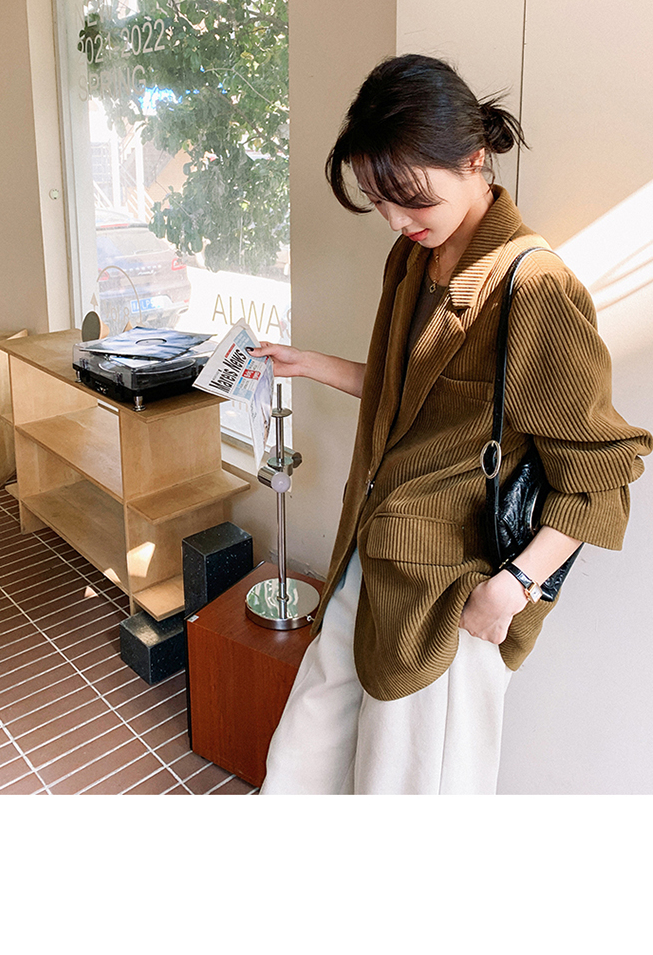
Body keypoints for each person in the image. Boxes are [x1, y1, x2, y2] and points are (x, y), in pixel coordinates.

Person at [250, 54, 652, 796]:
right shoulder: (413, 262)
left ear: (473, 159)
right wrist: (309, 364)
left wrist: (514, 588)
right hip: (371, 555)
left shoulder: (535, 288)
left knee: (408, 792)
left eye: (411, 199)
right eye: (378, 200)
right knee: (305, 763)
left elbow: (601, 475)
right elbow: (411, 398)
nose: (398, 220)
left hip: (451, 598)